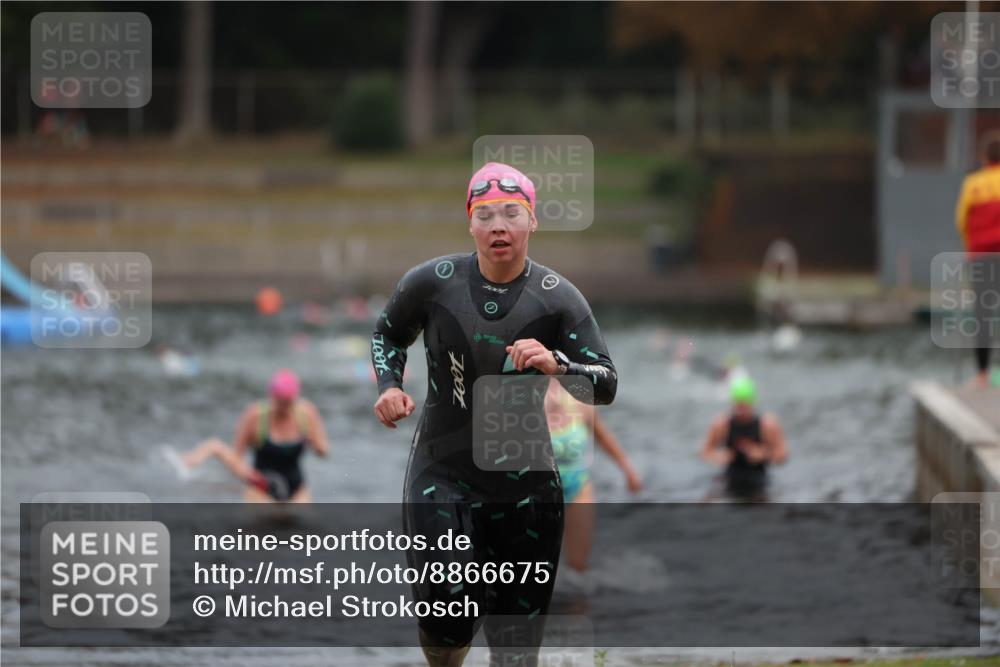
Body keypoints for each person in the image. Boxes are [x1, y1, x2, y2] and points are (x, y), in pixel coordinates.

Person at [371, 162, 617, 667]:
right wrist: (389, 386)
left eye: (511, 214)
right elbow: (387, 334)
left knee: (515, 650)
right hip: (443, 473)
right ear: (470, 223)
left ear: (532, 221)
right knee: (447, 617)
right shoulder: (432, 282)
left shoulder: (559, 298)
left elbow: (605, 384)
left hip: (528, 489)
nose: (497, 226)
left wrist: (558, 364)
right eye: (485, 216)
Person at [180, 369, 329, 502]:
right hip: (260, 489)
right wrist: (246, 473)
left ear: (295, 398)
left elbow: (324, 452)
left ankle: (213, 448)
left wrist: (315, 443)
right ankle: (210, 448)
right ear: (272, 396)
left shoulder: (307, 414)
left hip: (297, 490)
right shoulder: (254, 416)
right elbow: (237, 457)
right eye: (280, 402)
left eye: (288, 403)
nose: (284, 408)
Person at [544, 377, 640, 574]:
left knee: (578, 567)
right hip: (538, 492)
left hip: (577, 487)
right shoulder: (522, 402)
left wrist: (628, 470)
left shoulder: (579, 400)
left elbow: (602, 436)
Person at [955, 132, 1000, 388]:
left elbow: (962, 220)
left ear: (984, 157)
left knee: (983, 314)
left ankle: (982, 374)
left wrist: (970, 248)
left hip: (981, 256)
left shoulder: (972, 184)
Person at [699, 376, 787, 501]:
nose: (742, 409)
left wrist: (763, 454)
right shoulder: (722, 424)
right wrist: (720, 456)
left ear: (752, 401)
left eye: (745, 404)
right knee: (707, 499)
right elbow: (705, 452)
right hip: (730, 477)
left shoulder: (767, 425)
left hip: (759, 478)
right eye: (738, 404)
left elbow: (783, 455)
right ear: (733, 402)